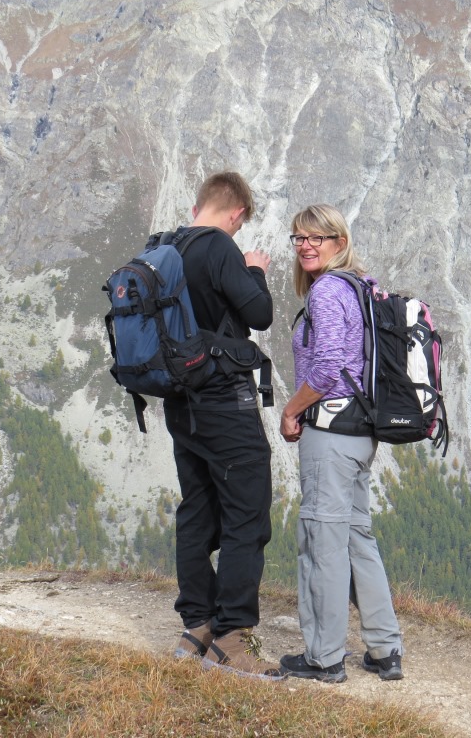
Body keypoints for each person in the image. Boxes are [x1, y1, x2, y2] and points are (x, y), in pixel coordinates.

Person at [277, 204, 404, 684]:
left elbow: (328, 366)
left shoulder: (328, 290)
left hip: (329, 434)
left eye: (318, 237)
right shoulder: (362, 286)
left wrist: (292, 410)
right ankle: (385, 649)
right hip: (361, 432)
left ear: (340, 241)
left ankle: (324, 657)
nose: (306, 246)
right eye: (299, 238)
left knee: (322, 544)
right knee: (355, 538)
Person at [165, 171, 284, 680]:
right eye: (240, 224)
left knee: (197, 508)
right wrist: (253, 270)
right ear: (237, 214)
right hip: (222, 401)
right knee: (246, 513)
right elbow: (260, 314)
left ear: (199, 207)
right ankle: (232, 638)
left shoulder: (167, 247)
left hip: (179, 402)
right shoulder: (219, 248)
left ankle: (197, 627)